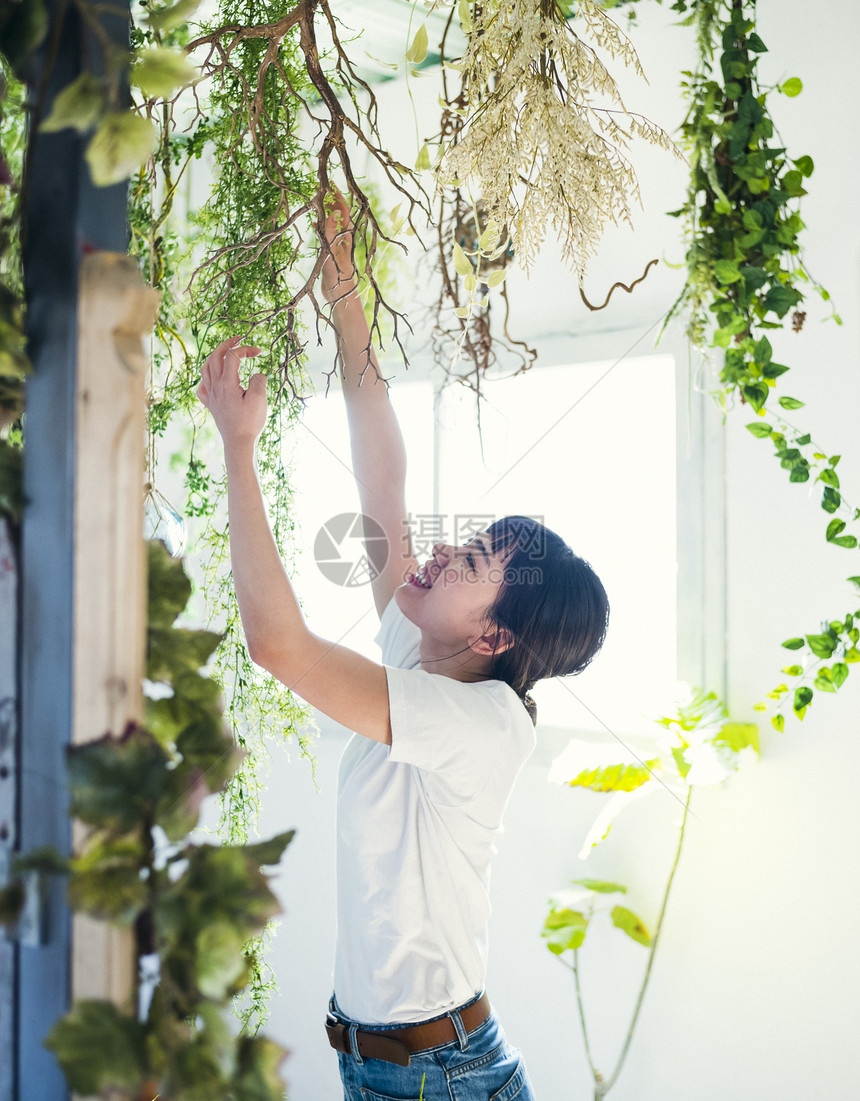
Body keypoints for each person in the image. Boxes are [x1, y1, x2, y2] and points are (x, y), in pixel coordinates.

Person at [196, 193, 610, 1101]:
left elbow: (277, 644)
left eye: (466, 559)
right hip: (397, 1066)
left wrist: (238, 447)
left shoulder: (484, 721)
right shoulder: (417, 640)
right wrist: (343, 277)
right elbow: (381, 465)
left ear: (495, 634)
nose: (435, 555)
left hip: (438, 1078)